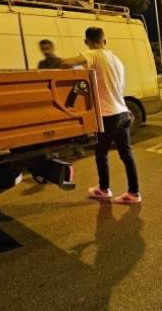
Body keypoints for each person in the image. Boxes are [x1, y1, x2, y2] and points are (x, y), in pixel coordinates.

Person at [61, 27, 141, 204]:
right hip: (122, 112)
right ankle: (134, 193)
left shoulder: (94, 55)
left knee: (101, 154)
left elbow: (67, 64)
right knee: (127, 155)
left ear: (87, 41)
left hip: (108, 115)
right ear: (105, 41)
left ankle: (104, 189)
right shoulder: (116, 60)